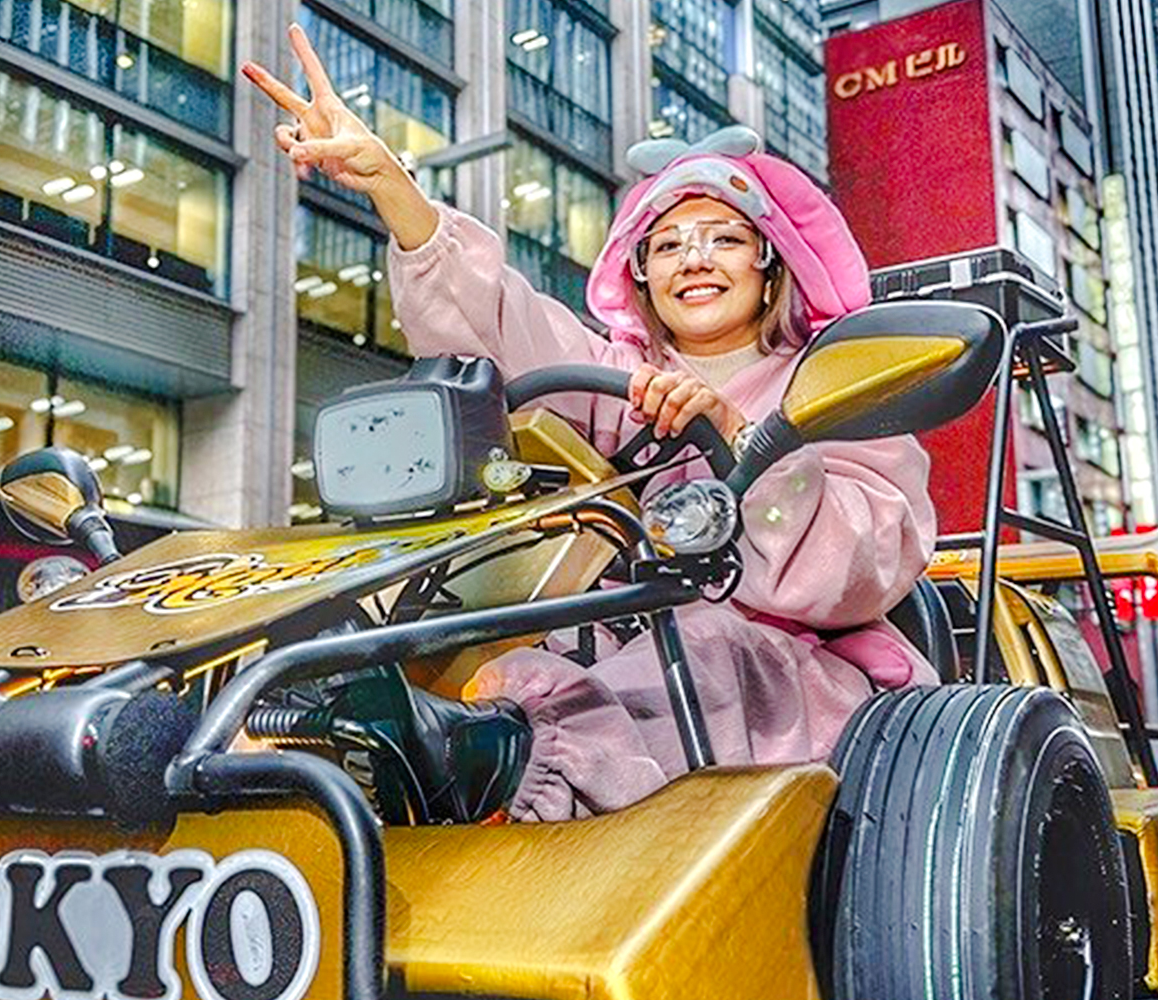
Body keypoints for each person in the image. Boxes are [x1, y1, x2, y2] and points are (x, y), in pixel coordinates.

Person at [244, 25, 938, 824]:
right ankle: (389, 768)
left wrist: (745, 445)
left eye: (724, 238)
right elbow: (504, 327)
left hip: (784, 674)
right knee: (475, 650)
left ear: (770, 259)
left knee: (708, 651)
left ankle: (496, 760)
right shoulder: (616, 372)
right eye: (667, 243)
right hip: (608, 648)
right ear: (640, 271)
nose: (694, 259)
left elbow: (870, 554)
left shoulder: (839, 387)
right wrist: (391, 186)